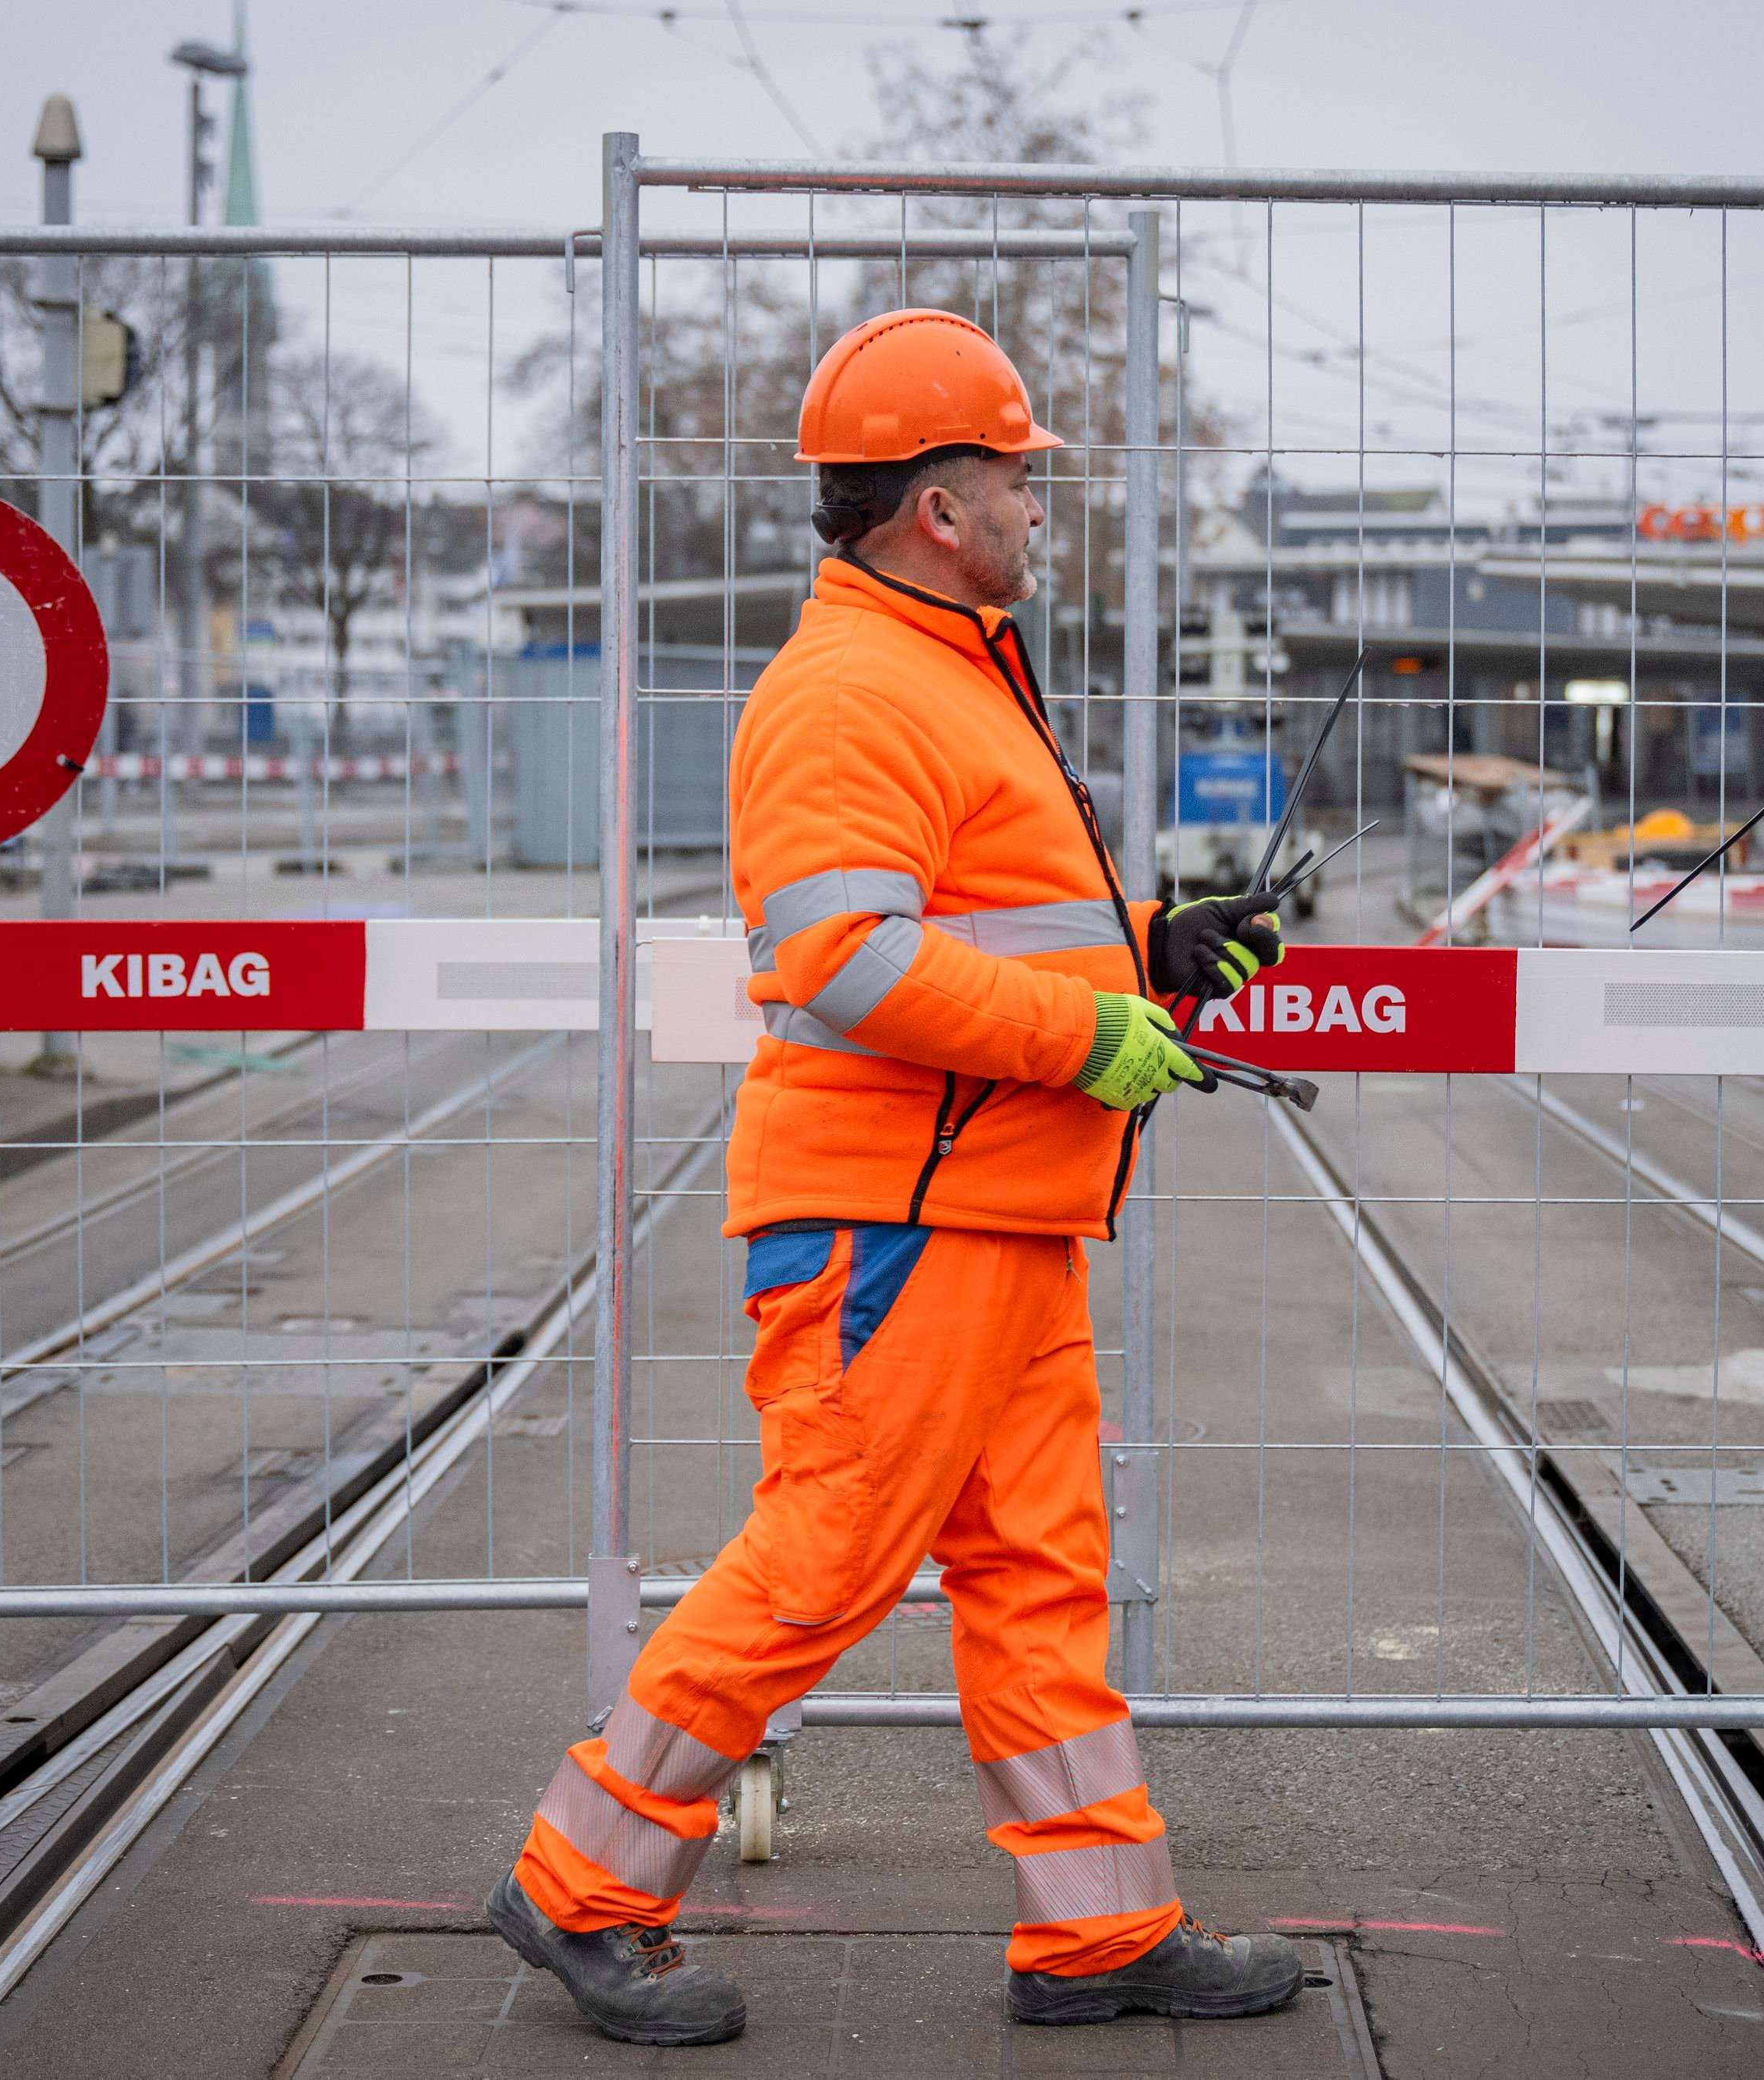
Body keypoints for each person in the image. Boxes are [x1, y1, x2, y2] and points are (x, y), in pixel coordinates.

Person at [487, 308, 1300, 2048]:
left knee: (1036, 1569)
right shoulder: (855, 688)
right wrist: (1088, 1042)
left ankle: (1097, 1928)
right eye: (1015, 474)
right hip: (898, 1213)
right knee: (821, 1557)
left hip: (984, 1208)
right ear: (938, 502)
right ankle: (575, 1888)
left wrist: (1157, 946)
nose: (1033, 504)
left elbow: (990, 925)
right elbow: (845, 959)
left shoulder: (943, 667)